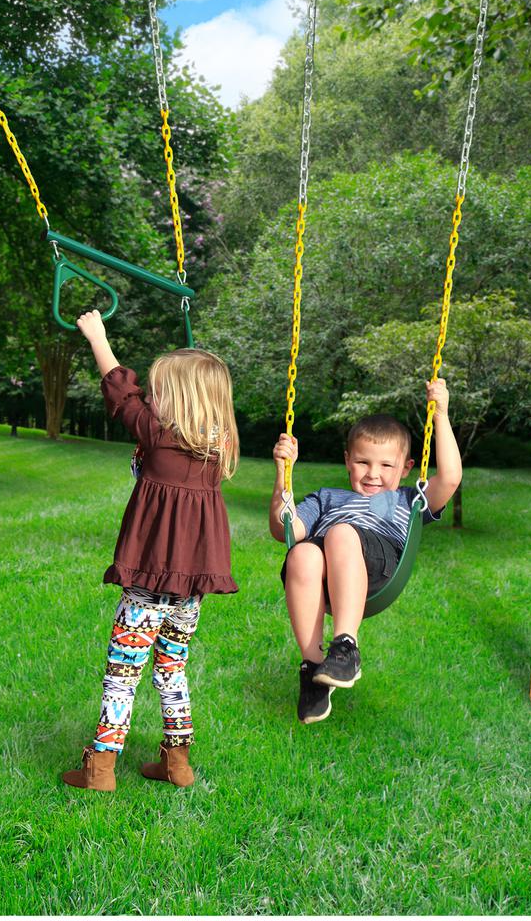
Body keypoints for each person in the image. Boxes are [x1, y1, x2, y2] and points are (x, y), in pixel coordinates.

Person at [62, 310, 240, 792]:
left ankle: (100, 767)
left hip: (147, 585)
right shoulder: (219, 449)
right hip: (191, 590)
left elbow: (120, 390)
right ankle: (177, 761)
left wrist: (97, 335)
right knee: (172, 667)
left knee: (124, 672)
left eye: (160, 390)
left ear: (176, 400)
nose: (151, 397)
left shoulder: (157, 434)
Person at [270, 379, 462, 724]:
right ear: (347, 461)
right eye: (362, 462)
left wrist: (442, 414)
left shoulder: (408, 499)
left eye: (386, 466)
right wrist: (283, 476)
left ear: (405, 468)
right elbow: (285, 528)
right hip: (327, 576)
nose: (373, 474)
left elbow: (449, 478)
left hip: (378, 566)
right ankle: (314, 668)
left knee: (342, 533)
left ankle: (345, 646)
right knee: (301, 553)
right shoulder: (326, 498)